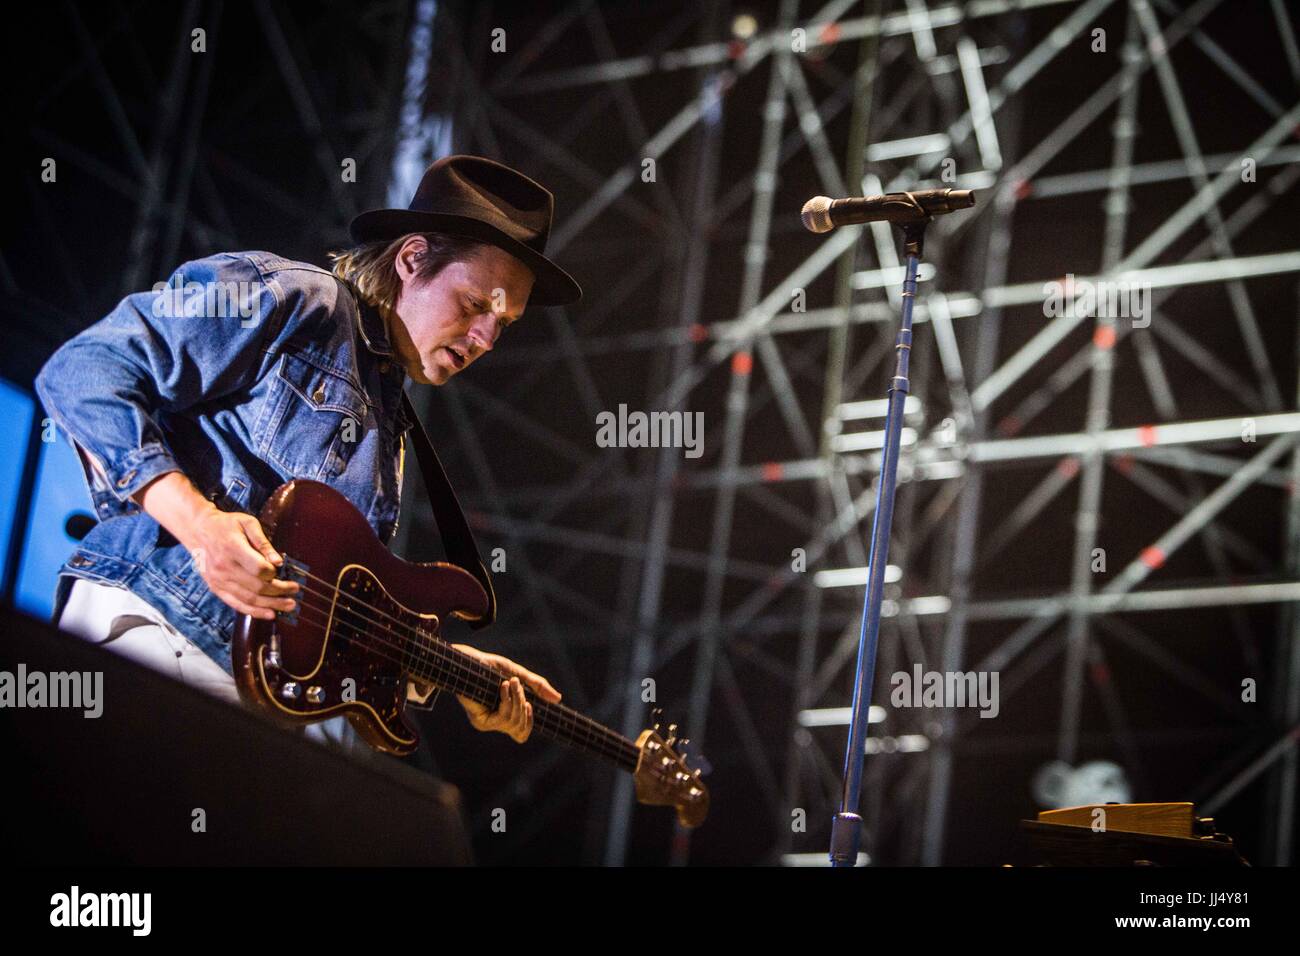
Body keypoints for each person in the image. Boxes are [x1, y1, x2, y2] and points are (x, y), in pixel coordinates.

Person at [35, 154, 579, 755]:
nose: (484, 339)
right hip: (161, 633)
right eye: (477, 304)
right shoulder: (299, 299)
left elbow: (320, 608)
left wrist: (448, 669)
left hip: (251, 704)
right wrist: (201, 526)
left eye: (503, 324)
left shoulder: (390, 421)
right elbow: (84, 370)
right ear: (412, 258)